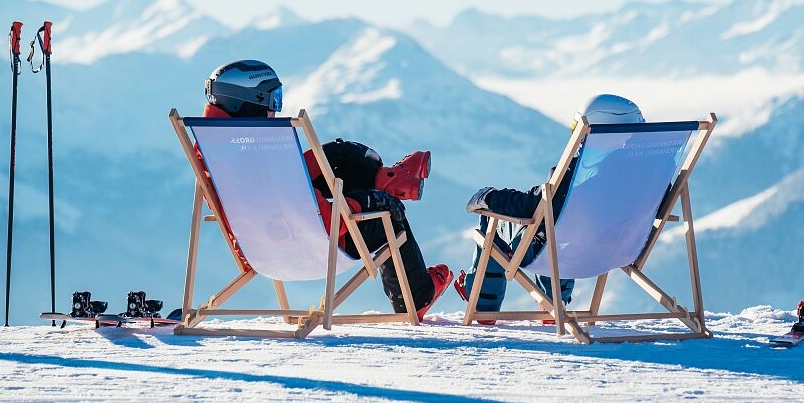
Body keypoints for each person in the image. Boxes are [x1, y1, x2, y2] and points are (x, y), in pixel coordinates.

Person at [202, 59, 453, 318]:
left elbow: (271, 194)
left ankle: (390, 178)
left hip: (258, 247)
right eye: (272, 100)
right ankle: (416, 295)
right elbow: (324, 222)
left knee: (339, 156)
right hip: (309, 244)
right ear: (250, 101)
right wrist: (367, 202)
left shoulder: (213, 146)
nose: (275, 110)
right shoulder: (265, 149)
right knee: (389, 214)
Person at [454, 94, 646, 321]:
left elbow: (533, 206)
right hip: (622, 250)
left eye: (578, 128)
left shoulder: (577, 174)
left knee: (507, 223)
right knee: (559, 229)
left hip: (567, 254)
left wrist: (490, 197)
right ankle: (554, 301)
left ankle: (483, 304)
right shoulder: (650, 177)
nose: (577, 136)